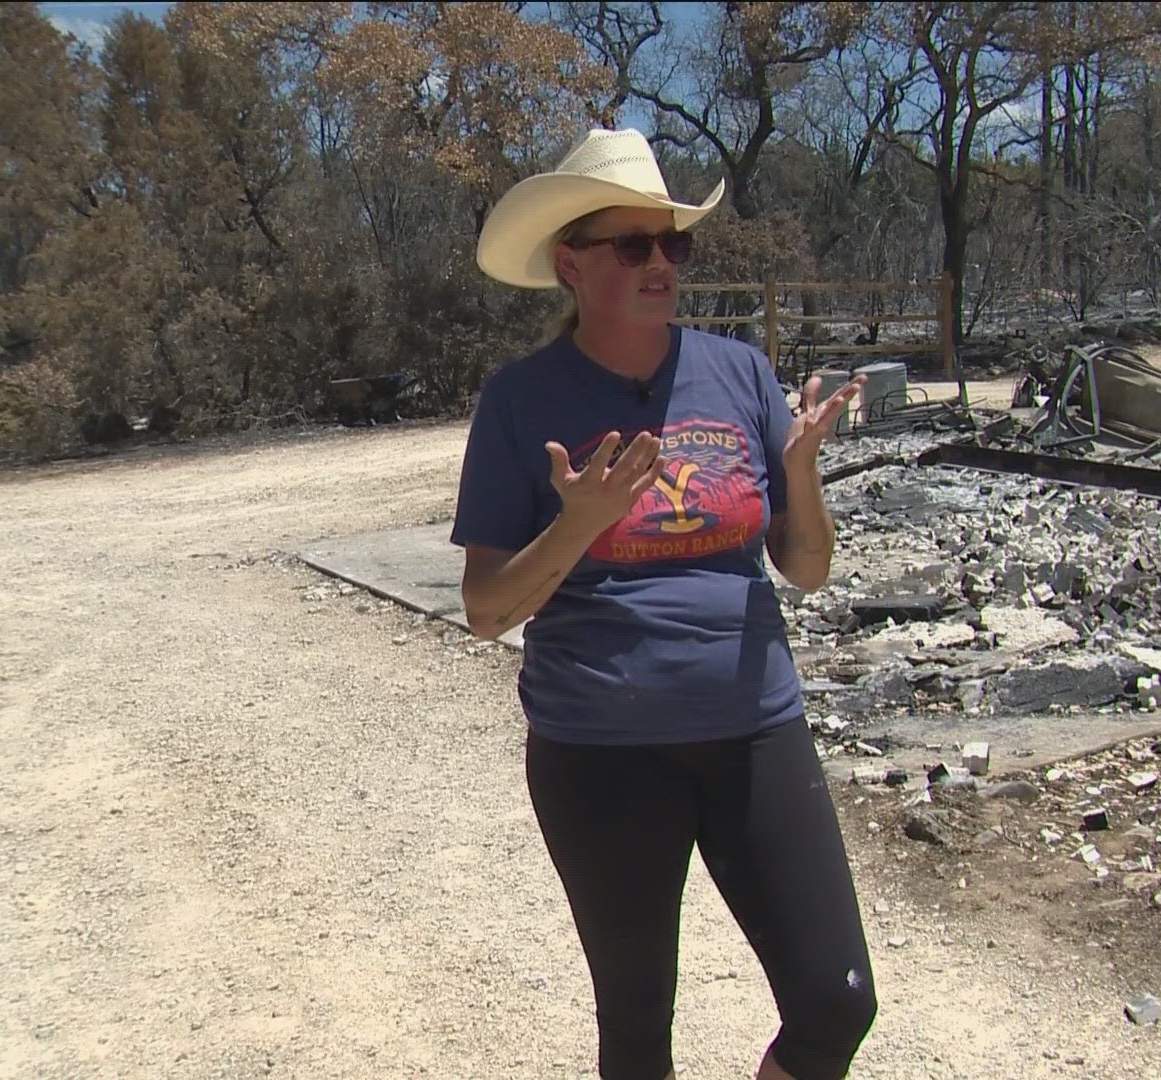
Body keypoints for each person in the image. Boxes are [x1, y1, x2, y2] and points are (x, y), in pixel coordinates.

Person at [450, 126, 876, 1080]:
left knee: (835, 999)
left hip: (755, 726)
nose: (661, 264)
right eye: (632, 245)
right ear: (570, 262)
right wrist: (579, 522)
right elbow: (485, 610)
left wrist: (800, 470)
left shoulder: (738, 373)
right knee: (639, 1029)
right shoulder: (522, 401)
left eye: (673, 244)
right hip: (599, 751)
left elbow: (805, 568)